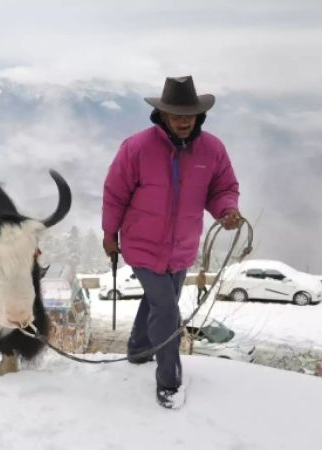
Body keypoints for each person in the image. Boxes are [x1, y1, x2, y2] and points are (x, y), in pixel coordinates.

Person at [101, 75, 241, 409]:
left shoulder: (213, 150)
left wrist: (227, 211)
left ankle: (137, 351)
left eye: (188, 114)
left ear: (198, 115)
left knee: (156, 302)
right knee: (166, 308)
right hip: (142, 246)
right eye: (176, 114)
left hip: (182, 248)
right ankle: (169, 382)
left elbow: (223, 189)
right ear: (162, 114)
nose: (182, 120)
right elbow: (114, 194)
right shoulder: (136, 147)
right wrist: (109, 235)